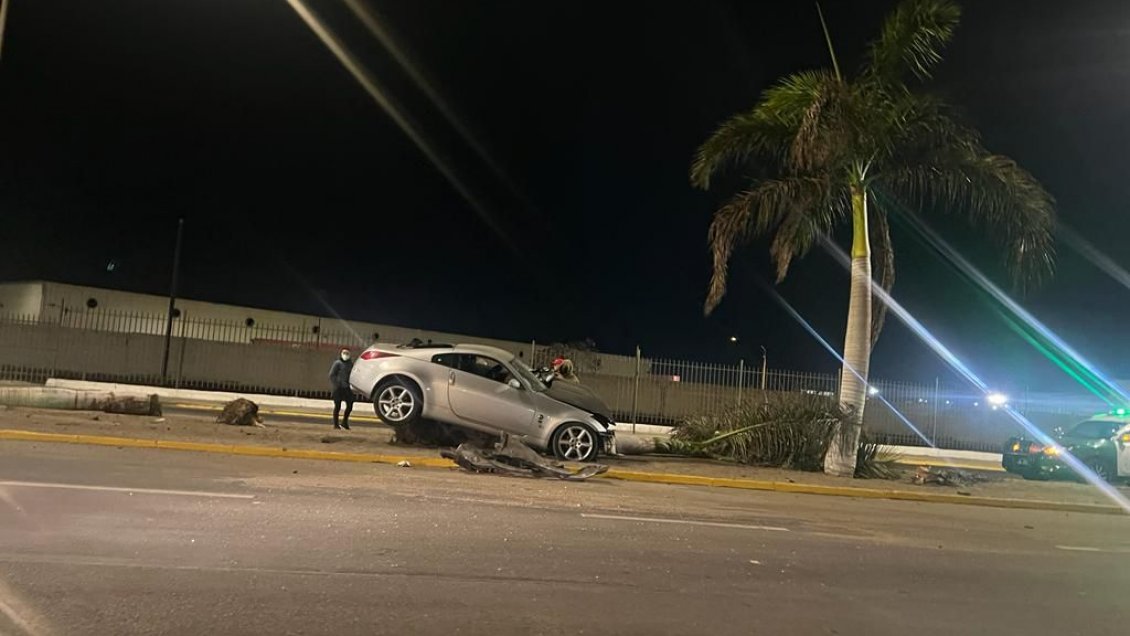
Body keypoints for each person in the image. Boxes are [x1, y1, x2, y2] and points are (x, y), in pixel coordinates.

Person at [328, 348, 354, 430]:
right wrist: (337, 384)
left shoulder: (350, 364)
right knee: (337, 406)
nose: (346, 355)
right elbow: (332, 375)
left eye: (347, 353)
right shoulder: (337, 363)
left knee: (350, 404)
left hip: (347, 387)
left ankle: (344, 422)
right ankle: (336, 424)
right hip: (338, 388)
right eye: (344, 353)